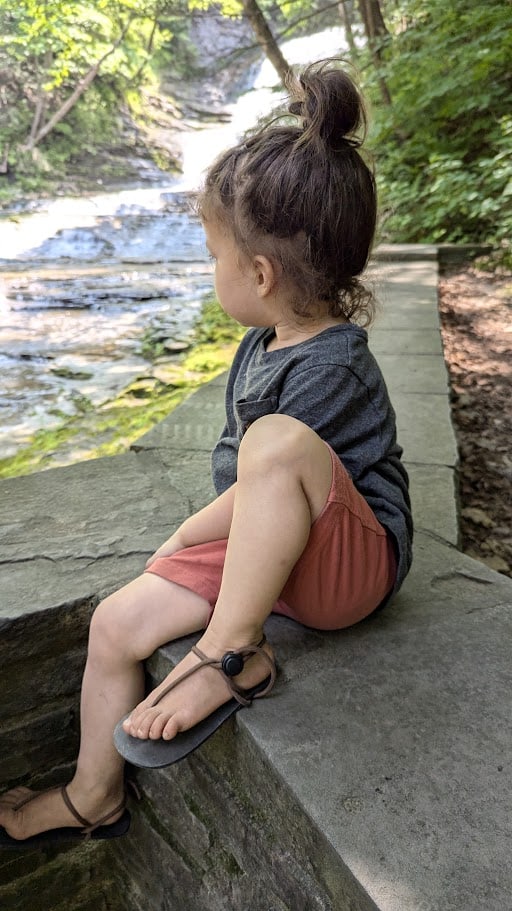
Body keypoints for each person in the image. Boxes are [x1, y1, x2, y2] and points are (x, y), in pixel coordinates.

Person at [0, 59, 412, 848]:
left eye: (212, 256)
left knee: (277, 440)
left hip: (348, 569)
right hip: (271, 550)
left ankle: (230, 652)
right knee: (115, 624)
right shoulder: (264, 341)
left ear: (258, 273)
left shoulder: (335, 363)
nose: (208, 270)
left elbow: (270, 470)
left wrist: (188, 533)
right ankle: (94, 794)